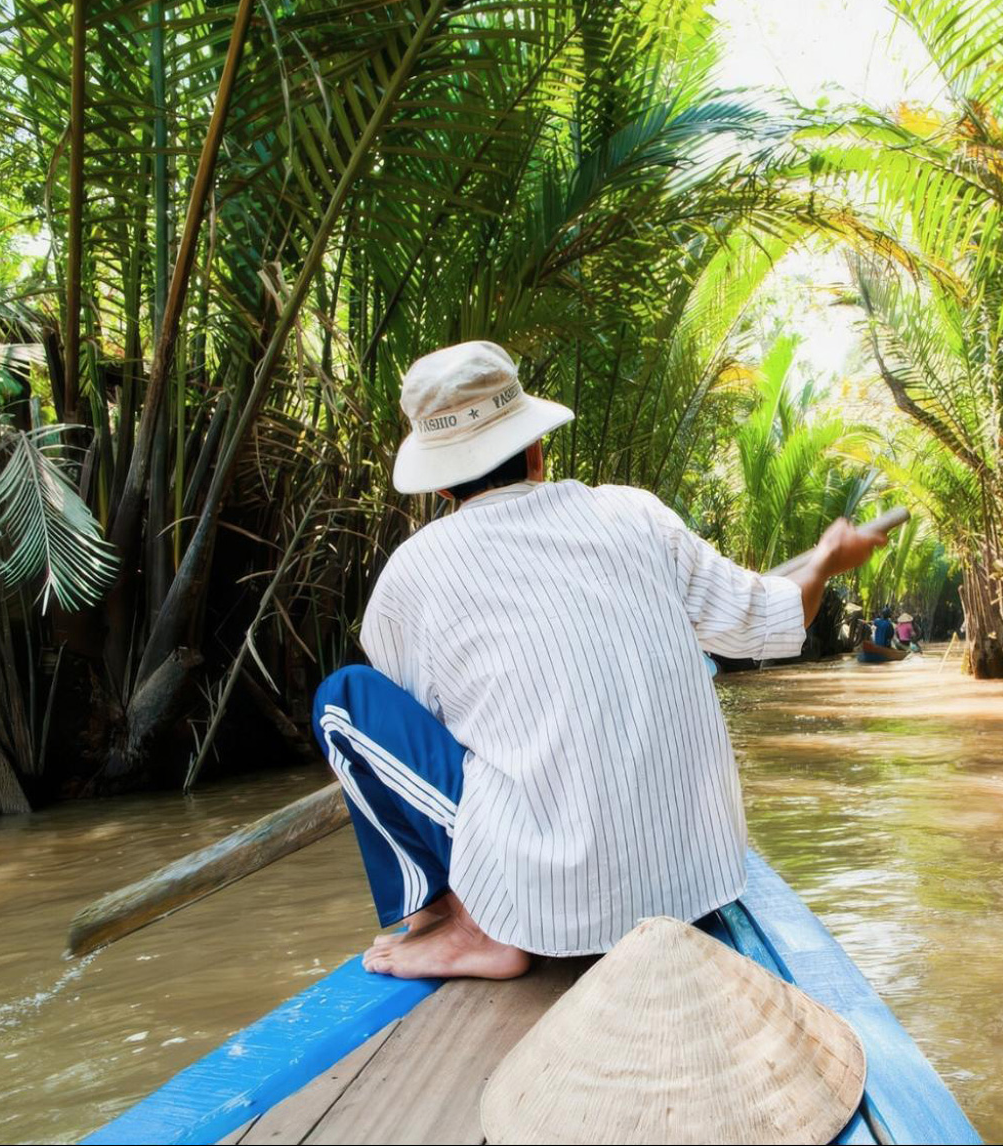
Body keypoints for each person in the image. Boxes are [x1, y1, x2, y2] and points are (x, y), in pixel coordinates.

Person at [313, 341, 887, 980]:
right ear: (536, 449)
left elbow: (419, 732)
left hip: (558, 912)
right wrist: (828, 560)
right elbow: (774, 620)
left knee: (343, 702)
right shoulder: (635, 511)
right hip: (699, 880)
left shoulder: (411, 574)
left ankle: (472, 924)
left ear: (440, 480)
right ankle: (496, 912)